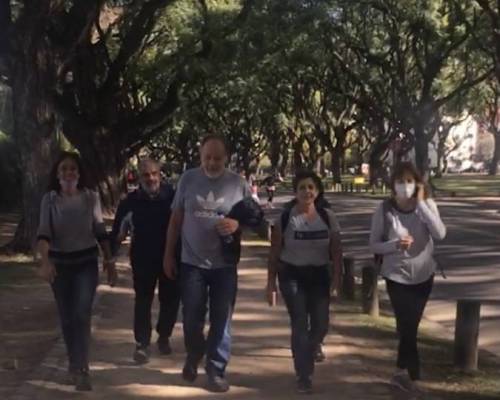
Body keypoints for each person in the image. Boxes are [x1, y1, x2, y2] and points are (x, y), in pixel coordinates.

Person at [163, 135, 263, 393]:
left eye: (217, 158)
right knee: (192, 316)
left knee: (222, 318)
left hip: (224, 265)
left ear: (226, 157)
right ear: (200, 156)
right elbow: (175, 220)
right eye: (207, 157)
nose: (212, 162)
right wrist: (168, 255)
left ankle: (216, 369)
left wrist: (237, 224)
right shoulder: (188, 179)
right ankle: (194, 353)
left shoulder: (238, 183)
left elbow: (256, 219)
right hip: (191, 263)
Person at [36, 151, 117, 391]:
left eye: (73, 169)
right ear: (57, 174)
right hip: (60, 266)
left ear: (79, 173)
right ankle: (74, 363)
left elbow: (100, 229)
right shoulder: (49, 200)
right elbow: (43, 234)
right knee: (67, 316)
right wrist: (45, 261)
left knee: (82, 313)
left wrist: (109, 260)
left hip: (85, 263)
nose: (69, 173)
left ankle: (82, 368)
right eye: (64, 169)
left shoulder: (91, 197)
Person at [369, 162, 446, 394]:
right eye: (400, 181)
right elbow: (373, 244)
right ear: (393, 185)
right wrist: (394, 245)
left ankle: (400, 372)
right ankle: (413, 377)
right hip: (396, 276)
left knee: (410, 327)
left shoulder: (427, 205)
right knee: (407, 326)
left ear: (417, 184)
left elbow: (440, 234)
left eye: (409, 181)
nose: (405, 186)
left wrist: (421, 204)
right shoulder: (384, 209)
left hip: (424, 275)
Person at [266, 170, 343, 394]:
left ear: (317, 192)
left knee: (320, 324)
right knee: (299, 323)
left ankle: (312, 346)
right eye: (302, 187)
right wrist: (271, 283)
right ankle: (304, 374)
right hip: (292, 275)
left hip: (320, 275)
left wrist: (337, 278)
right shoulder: (286, 217)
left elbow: (336, 250)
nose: (307, 191)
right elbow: (274, 251)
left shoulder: (327, 216)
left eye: (311, 187)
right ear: (296, 192)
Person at [109, 158, 180, 365]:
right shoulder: (129, 203)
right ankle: (142, 343)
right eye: (146, 175)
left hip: (171, 258)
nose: (151, 178)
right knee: (143, 301)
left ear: (160, 174)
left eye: (154, 173)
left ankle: (164, 335)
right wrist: (112, 257)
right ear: (139, 177)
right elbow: (118, 234)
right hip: (142, 259)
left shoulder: (173, 198)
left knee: (171, 300)